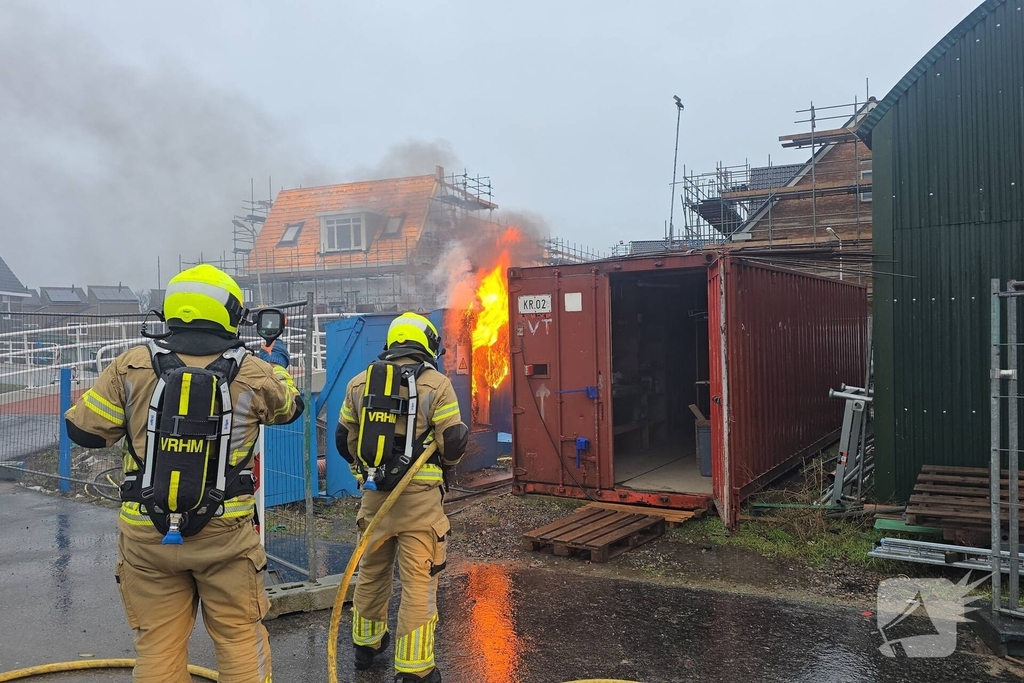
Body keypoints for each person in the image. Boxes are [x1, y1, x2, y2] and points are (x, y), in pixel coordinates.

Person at [64, 264, 303, 683]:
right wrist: (276, 364)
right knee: (240, 639)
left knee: (157, 647)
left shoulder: (129, 366)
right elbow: (290, 408)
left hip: (146, 534)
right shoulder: (252, 371)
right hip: (224, 534)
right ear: (230, 312)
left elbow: (81, 430)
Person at [336, 312, 468, 683]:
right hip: (419, 504)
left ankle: (366, 646)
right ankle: (414, 669)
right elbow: (453, 440)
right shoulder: (436, 384)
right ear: (427, 344)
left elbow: (343, 439)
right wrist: (448, 464)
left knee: (371, 573)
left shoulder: (360, 382)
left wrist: (364, 471)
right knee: (418, 582)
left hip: (374, 500)